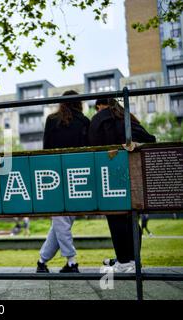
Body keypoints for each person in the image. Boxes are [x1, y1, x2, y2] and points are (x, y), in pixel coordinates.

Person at [89, 97, 156, 272]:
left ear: (99, 106)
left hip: (108, 175)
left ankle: (124, 261)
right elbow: (150, 139)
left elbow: (90, 147)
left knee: (115, 217)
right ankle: (134, 260)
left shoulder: (98, 119)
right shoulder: (127, 118)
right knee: (133, 217)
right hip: (133, 175)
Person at [37, 90, 90, 274]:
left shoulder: (52, 120)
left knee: (60, 221)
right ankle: (63, 261)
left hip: (55, 175)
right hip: (77, 176)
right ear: (79, 103)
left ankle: (61, 262)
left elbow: (45, 150)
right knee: (62, 221)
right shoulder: (84, 122)